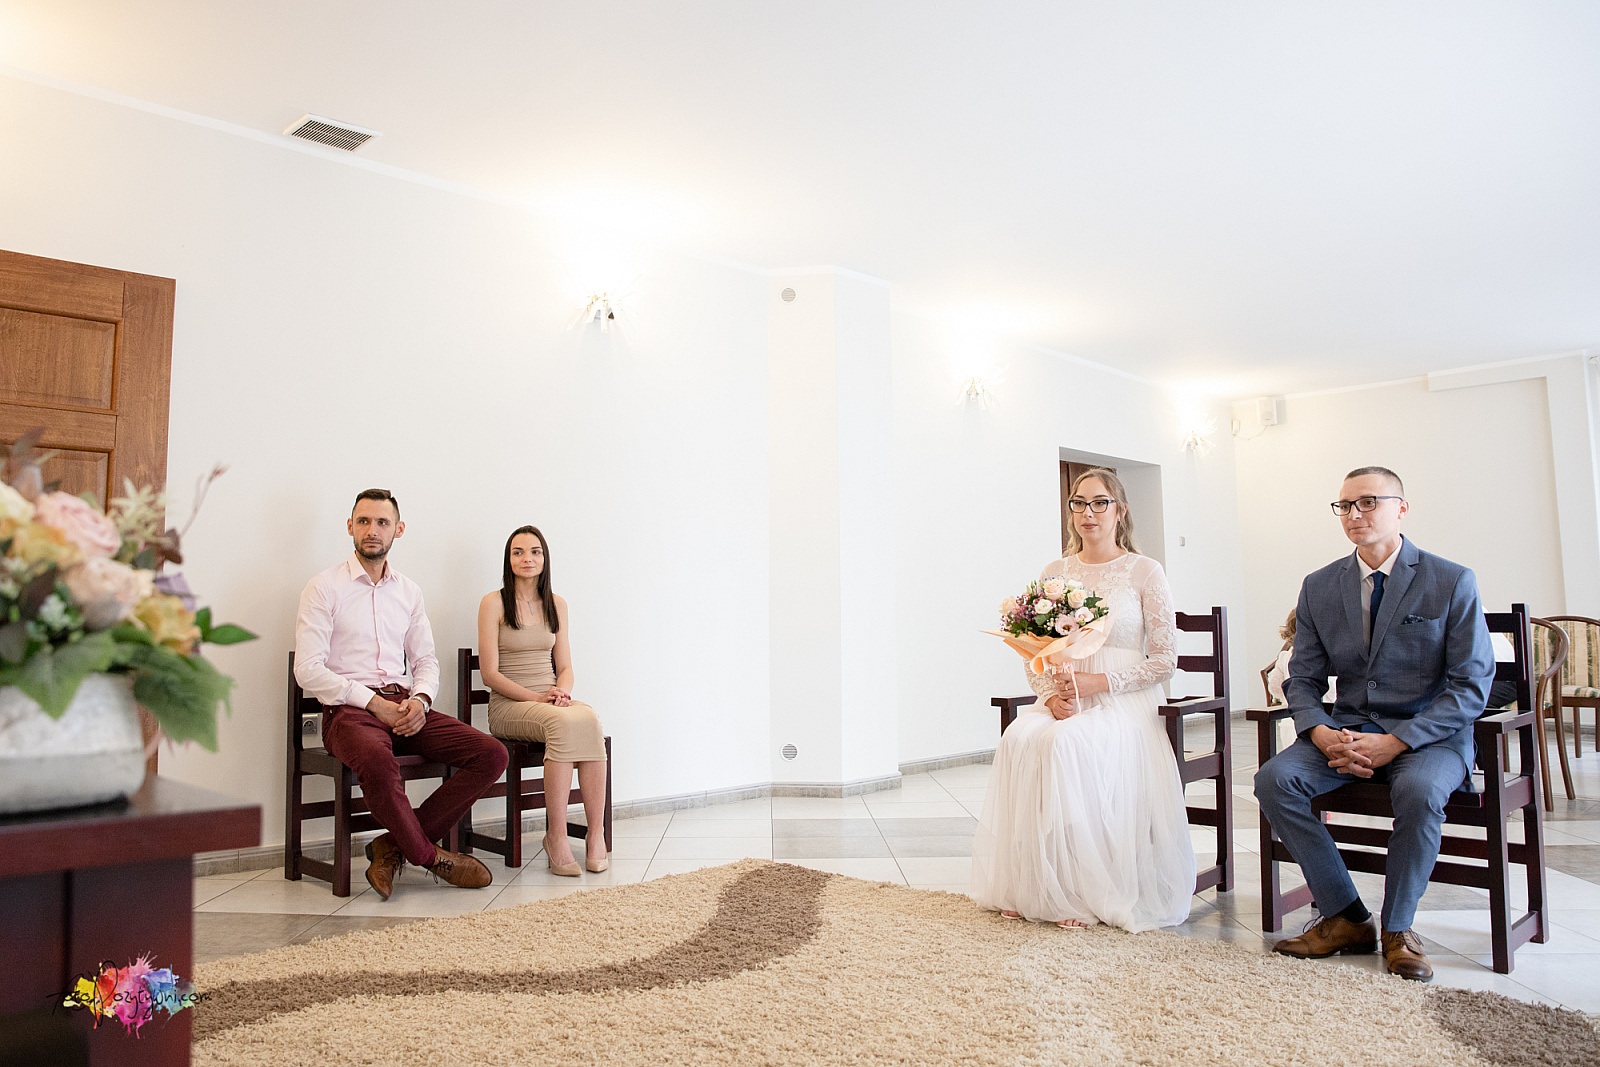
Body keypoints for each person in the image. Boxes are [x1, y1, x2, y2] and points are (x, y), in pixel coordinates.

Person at [1254, 466, 1494, 982]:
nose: (1353, 514)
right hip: (1346, 731)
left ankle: (1398, 929)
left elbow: (1471, 685)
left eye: (1368, 502)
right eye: (1344, 505)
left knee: (1420, 791)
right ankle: (1345, 915)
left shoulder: (1451, 580)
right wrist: (1319, 732)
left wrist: (1397, 741)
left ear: (1401, 508)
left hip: (1430, 736)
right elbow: (1302, 678)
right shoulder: (1319, 585)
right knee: (1275, 780)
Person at [971, 468, 1195, 930]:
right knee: (1019, 737)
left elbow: (1165, 660)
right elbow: (1034, 652)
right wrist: (1051, 695)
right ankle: (1036, 885)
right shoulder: (1055, 573)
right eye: (1078, 503)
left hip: (1125, 701)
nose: (1087, 513)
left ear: (1120, 510)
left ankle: (1085, 890)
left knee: (1065, 745)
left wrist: (1101, 683)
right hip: (1065, 695)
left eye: (1099, 503)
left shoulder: (1145, 571)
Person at [295, 489, 508, 900]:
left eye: (382, 522)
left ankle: (392, 847)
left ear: (399, 529)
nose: (372, 530)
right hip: (349, 713)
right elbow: (307, 669)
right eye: (363, 521)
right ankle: (429, 857)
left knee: (492, 754)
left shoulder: (408, 591)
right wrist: (374, 704)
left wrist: (421, 701)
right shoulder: (323, 587)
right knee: (378, 761)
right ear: (350, 527)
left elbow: (425, 659)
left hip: (405, 706)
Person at [476, 525, 609, 876]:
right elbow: (489, 674)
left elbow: (565, 667)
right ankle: (557, 836)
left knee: (589, 718)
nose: (527, 558)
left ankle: (596, 834)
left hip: (550, 702)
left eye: (535, 551)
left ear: (545, 558)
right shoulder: (493, 603)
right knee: (564, 723)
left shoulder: (557, 604)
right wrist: (538, 697)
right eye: (518, 552)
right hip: (510, 706)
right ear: (508, 559)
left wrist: (561, 692)